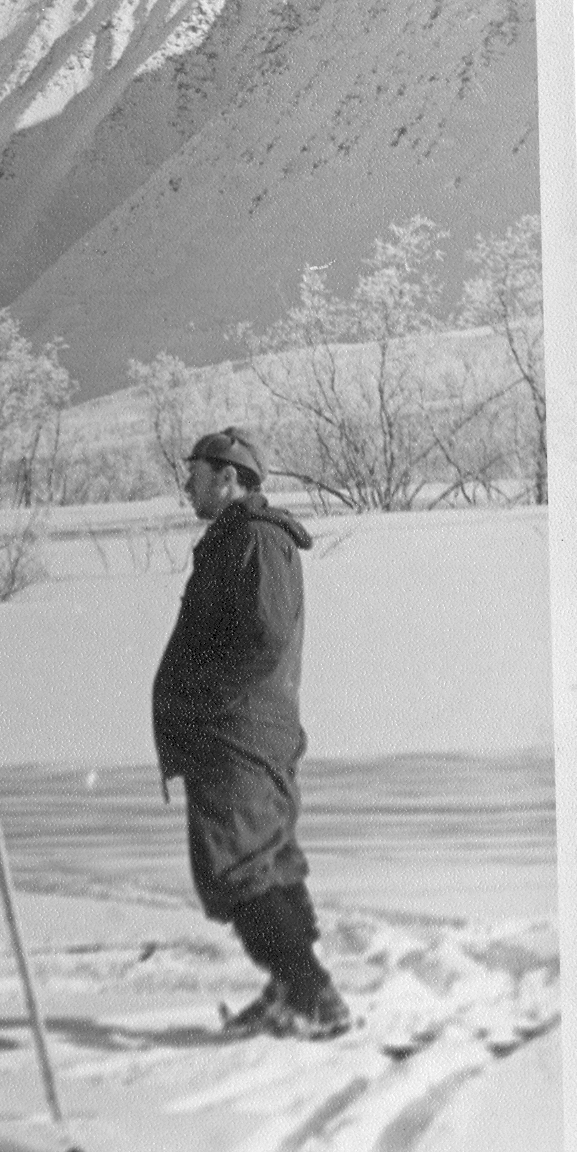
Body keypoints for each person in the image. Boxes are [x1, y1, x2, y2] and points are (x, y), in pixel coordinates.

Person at [152, 427, 352, 1040]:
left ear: (229, 478)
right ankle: (289, 988)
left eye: (196, 471)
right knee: (265, 862)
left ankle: (312, 994)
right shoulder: (238, 540)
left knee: (238, 867)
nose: (187, 482)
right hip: (240, 731)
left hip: (236, 734)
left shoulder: (254, 541)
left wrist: (206, 702)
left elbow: (262, 638)